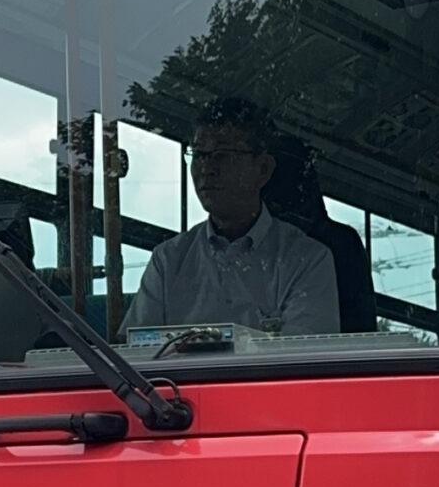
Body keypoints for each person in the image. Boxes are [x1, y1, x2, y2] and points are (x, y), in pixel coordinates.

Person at [129, 100, 341, 336]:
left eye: (222, 154)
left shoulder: (306, 259)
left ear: (262, 169)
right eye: (199, 154)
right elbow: (136, 351)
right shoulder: (168, 260)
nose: (207, 168)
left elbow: (302, 359)